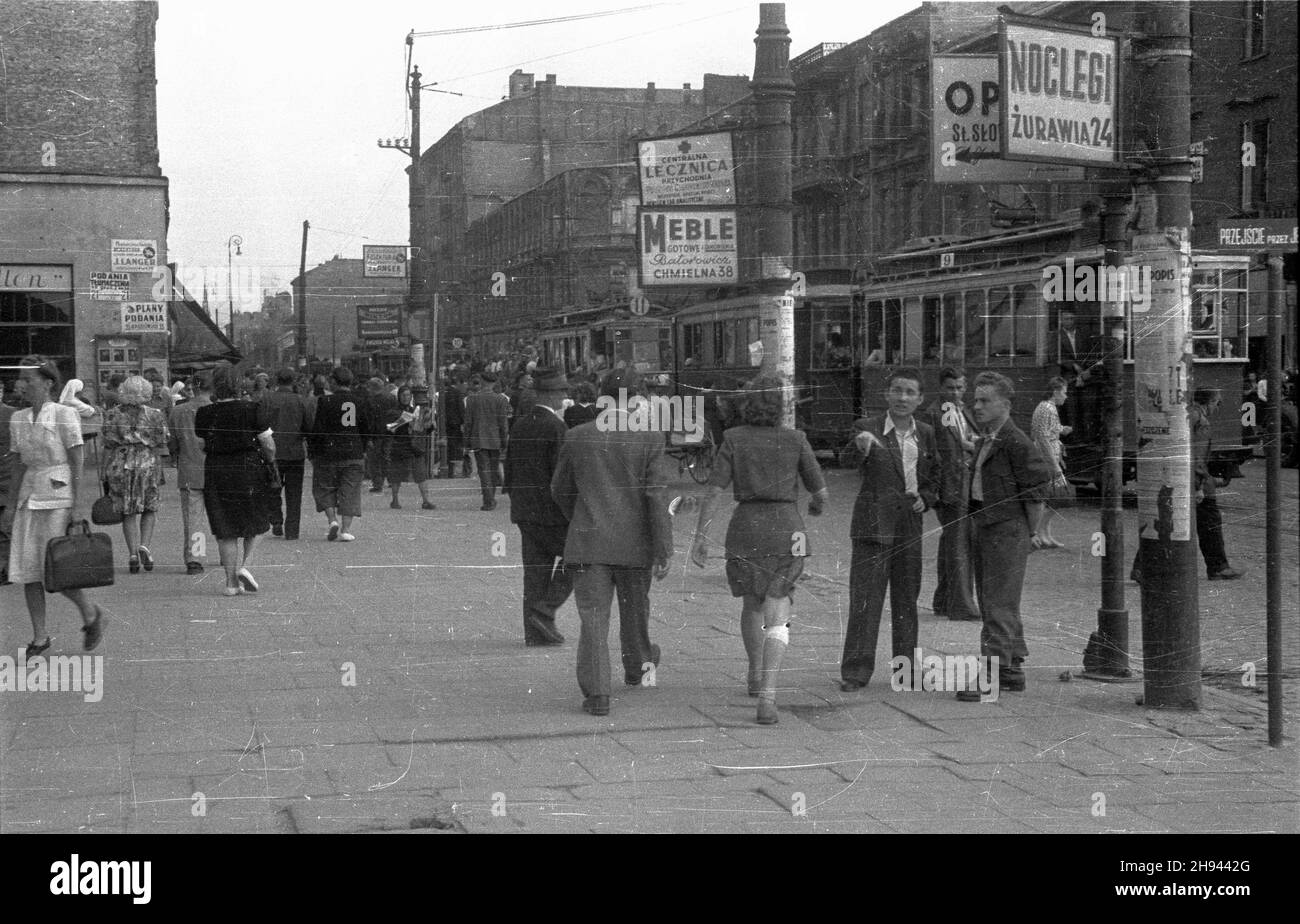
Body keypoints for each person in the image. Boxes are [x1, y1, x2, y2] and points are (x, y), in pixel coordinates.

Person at [689, 374, 828, 725]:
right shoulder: (797, 439)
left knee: (752, 602)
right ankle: (768, 692)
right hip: (788, 530)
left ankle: (754, 669)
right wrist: (815, 508)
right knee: (779, 606)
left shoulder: (733, 439)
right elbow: (821, 493)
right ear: (782, 406)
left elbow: (715, 492)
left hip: (746, 527)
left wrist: (701, 537)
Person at [551, 368, 673, 717]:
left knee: (593, 619)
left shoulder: (577, 436)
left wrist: (582, 514)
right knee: (635, 611)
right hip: (635, 544)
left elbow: (559, 491)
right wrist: (663, 546)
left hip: (588, 541)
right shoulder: (651, 439)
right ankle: (637, 666)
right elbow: (655, 497)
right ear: (636, 399)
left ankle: (598, 694)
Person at [839, 367, 941, 692]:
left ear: (920, 399)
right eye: (897, 390)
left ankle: (906, 671)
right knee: (866, 600)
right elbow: (844, 462)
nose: (902, 397)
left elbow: (936, 474)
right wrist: (858, 446)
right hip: (873, 524)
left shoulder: (925, 432)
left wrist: (927, 498)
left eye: (910, 392)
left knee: (906, 599)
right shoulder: (866, 427)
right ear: (886, 395)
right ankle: (855, 672)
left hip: (909, 523)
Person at [957, 372, 1055, 702]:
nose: (977, 405)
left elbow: (1037, 490)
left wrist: (1028, 532)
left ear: (1006, 405)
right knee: (997, 600)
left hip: (1005, 529)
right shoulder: (990, 437)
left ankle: (993, 675)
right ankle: (1011, 668)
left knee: (997, 602)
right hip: (987, 526)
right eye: (976, 399)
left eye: (985, 400)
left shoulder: (1015, 441)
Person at [7, 360, 107, 656]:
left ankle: (91, 615)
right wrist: (10, 507)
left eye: (28, 379)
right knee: (28, 571)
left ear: (48, 383)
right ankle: (40, 637)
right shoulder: (19, 418)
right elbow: (17, 466)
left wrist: (77, 506)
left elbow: (77, 461)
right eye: (21, 380)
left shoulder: (65, 414)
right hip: (29, 497)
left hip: (59, 497)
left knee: (58, 568)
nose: (22, 385)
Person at [502, 368, 573, 647]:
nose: (566, 396)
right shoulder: (556, 427)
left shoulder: (520, 424)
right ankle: (546, 611)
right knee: (578, 558)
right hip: (552, 514)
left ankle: (534, 633)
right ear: (549, 394)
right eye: (562, 392)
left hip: (524, 511)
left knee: (534, 574)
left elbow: (509, 467)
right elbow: (562, 475)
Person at [195, 363, 276, 595]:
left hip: (217, 469)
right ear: (238, 384)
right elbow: (268, 445)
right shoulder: (253, 409)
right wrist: (270, 460)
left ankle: (231, 583)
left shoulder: (204, 413)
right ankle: (246, 567)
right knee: (258, 522)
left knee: (225, 527)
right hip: (248, 468)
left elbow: (201, 445)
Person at [920, 366, 980, 622]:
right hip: (950, 486)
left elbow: (962, 440)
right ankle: (962, 605)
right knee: (959, 544)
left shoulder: (963, 410)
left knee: (952, 542)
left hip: (965, 481)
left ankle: (944, 600)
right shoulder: (936, 413)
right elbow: (940, 451)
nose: (955, 392)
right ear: (940, 388)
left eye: (959, 387)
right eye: (950, 388)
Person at [102, 375, 168, 574]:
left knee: (127, 511)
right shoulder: (155, 414)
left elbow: (108, 443)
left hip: (121, 462)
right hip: (147, 461)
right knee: (150, 507)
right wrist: (159, 468)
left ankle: (132, 553)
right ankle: (144, 546)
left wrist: (104, 471)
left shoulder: (112, 414)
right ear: (146, 393)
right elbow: (161, 443)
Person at [309, 366, 373, 542]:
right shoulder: (359, 401)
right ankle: (345, 529)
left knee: (324, 487)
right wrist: (364, 448)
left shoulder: (325, 401)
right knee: (350, 490)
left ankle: (332, 521)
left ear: (334, 382)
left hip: (328, 452)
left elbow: (318, 429)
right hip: (354, 451)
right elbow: (366, 429)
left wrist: (313, 451)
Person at [167, 371, 212, 574]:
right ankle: (226, 552)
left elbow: (173, 442)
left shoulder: (178, 411)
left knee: (194, 517)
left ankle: (196, 557)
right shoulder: (217, 410)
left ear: (192, 386)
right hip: (217, 469)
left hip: (189, 468)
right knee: (221, 515)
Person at [261, 368, 312, 538]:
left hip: (272, 453)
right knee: (294, 493)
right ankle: (292, 530)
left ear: (276, 380)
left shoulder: (267, 399)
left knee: (273, 489)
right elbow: (308, 427)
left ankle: (276, 520)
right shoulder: (301, 400)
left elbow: (261, 424)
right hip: (295, 452)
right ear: (294, 381)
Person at [1030, 377, 1074, 549]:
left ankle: (1045, 534)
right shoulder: (1047, 408)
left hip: (1050, 457)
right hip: (1047, 460)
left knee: (1052, 498)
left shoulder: (1048, 408)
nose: (1066, 396)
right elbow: (1041, 438)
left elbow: (1046, 431)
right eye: (1064, 392)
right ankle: (1042, 534)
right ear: (1055, 392)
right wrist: (1054, 465)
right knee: (1054, 497)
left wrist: (1063, 429)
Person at [464, 372, 510, 510]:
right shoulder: (501, 400)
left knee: (483, 470)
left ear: (482, 382)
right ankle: (491, 498)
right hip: (495, 439)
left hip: (478, 439)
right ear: (494, 383)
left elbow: (468, 423)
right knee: (493, 469)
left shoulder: (472, 399)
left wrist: (466, 441)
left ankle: (488, 500)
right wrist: (504, 441)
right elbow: (503, 423)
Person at [386, 385, 435, 510]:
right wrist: (403, 420)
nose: (405, 397)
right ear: (399, 396)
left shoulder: (416, 410)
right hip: (400, 445)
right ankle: (395, 500)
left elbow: (425, 430)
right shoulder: (393, 411)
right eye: (403, 395)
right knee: (396, 474)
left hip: (414, 446)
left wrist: (429, 423)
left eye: (408, 395)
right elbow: (389, 428)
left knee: (420, 474)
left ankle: (426, 500)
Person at [365, 377, 395, 493]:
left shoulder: (369, 401)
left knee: (374, 460)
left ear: (372, 388)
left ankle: (378, 484)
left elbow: (369, 420)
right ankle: (392, 480)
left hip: (375, 434)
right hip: (389, 432)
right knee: (387, 456)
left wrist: (368, 437)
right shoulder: (391, 398)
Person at [442, 375, 469, 477]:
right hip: (456, 425)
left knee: (449, 447)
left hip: (447, 425)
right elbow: (461, 410)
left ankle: (450, 470)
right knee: (456, 448)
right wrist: (464, 422)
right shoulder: (458, 393)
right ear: (459, 383)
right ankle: (456, 472)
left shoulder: (445, 393)